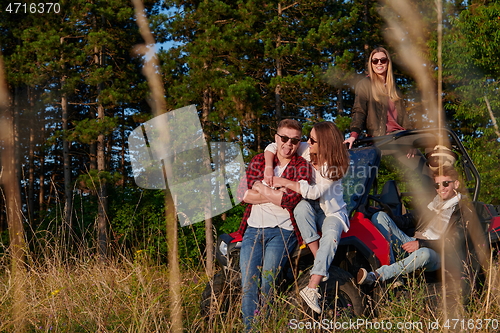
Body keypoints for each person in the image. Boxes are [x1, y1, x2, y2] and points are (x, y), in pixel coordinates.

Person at [264, 121, 350, 314]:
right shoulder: (306, 148)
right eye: (308, 138)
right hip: (312, 207)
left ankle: (312, 287)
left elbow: (314, 192)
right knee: (300, 208)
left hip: (331, 211)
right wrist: (269, 167)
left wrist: (285, 182)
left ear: (325, 143)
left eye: (312, 140)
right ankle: (320, 260)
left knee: (330, 234)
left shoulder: (334, 167)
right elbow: (273, 145)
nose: (307, 142)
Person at [235, 119, 312, 332]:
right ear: (276, 138)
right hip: (252, 229)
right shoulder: (260, 160)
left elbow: (291, 201)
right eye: (284, 138)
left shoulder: (301, 166)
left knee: (268, 284)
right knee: (248, 284)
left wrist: (260, 187)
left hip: (282, 231)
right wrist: (275, 195)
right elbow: (242, 194)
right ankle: (251, 329)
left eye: (295, 140)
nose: (288, 144)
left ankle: (267, 325)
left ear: (299, 143)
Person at [357, 166, 466, 286]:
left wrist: (421, 244)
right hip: (415, 242)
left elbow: (453, 242)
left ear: (456, 184)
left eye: (445, 183)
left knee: (425, 253)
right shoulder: (433, 204)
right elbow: (410, 219)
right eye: (437, 185)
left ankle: (378, 275)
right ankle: (394, 277)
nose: (441, 188)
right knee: (379, 216)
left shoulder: (464, 210)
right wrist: (385, 215)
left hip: (438, 253)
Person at [344, 46, 412, 149]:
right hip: (381, 138)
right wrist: (354, 135)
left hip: (400, 135)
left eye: (383, 60)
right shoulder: (365, 84)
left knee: (430, 139)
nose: (379, 63)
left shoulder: (394, 87)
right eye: (375, 61)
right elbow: (359, 111)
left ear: (388, 63)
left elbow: (404, 117)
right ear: (371, 64)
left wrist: (411, 140)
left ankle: (439, 163)